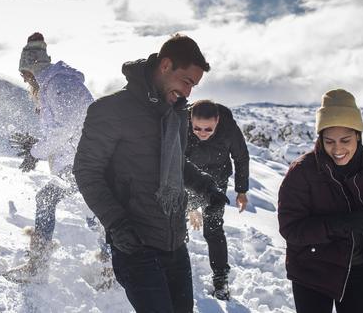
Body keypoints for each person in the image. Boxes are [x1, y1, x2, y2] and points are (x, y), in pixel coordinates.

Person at [73, 34, 230, 313]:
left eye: (194, 85)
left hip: (174, 242)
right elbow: (87, 171)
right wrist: (117, 224)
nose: (189, 92)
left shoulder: (176, 113)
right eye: (187, 81)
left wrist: (208, 189)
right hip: (135, 244)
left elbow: (176, 164)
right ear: (166, 65)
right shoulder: (110, 110)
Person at [277, 89, 363, 313]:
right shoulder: (302, 172)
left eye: (345, 140)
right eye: (329, 141)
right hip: (311, 270)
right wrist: (338, 225)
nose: (337, 149)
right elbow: (291, 229)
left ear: (358, 134)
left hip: (360, 270)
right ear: (320, 139)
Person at [4, 32, 94, 282]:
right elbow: (61, 127)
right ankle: (112, 264)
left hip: (84, 162)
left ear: (33, 67)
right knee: (95, 213)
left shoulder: (60, 84)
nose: (23, 78)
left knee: (48, 200)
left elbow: (67, 126)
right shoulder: (53, 85)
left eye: (24, 73)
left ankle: (37, 266)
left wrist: (36, 152)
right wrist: (38, 147)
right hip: (78, 161)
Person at [184, 99, 249, 300]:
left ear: (218, 121)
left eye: (208, 129)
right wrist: (190, 207)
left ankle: (221, 279)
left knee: (213, 229)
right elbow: (175, 159)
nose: (202, 133)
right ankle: (175, 271)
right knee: (176, 228)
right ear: (190, 120)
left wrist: (241, 190)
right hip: (188, 181)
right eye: (197, 128)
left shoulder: (229, 129)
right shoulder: (181, 125)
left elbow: (241, 157)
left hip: (216, 185)